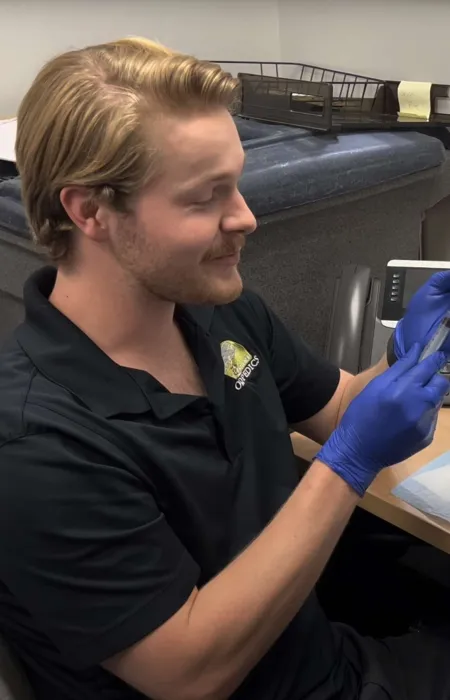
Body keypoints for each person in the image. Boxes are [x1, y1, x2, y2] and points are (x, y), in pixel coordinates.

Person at [0, 37, 450, 700]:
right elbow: (187, 674)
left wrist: (409, 360)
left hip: (315, 652)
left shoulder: (215, 312)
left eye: (235, 183)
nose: (245, 217)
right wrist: (347, 464)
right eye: (204, 198)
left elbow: (340, 413)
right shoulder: (34, 441)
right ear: (89, 210)